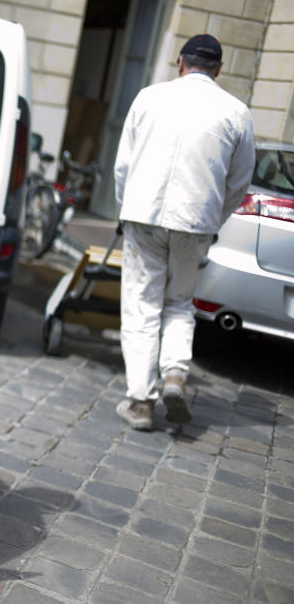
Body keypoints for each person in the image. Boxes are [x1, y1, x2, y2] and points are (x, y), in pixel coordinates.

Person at [113, 34, 255, 432]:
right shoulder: (237, 112)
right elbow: (239, 183)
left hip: (144, 213)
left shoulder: (148, 97)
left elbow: (123, 165)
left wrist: (127, 210)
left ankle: (141, 401)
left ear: (180, 63)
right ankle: (174, 375)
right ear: (219, 70)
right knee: (179, 304)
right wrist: (214, 219)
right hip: (196, 220)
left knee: (141, 306)